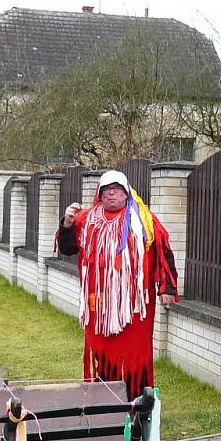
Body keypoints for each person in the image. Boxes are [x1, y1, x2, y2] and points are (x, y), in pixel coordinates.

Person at [56, 170, 178, 401]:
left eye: (117, 188)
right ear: (100, 194)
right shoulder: (86, 219)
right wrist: (67, 223)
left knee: (135, 355)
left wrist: (167, 288)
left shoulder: (143, 220)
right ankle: (105, 402)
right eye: (106, 189)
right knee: (103, 353)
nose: (112, 192)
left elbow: (163, 252)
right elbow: (68, 248)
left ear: (126, 193)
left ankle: (137, 403)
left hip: (135, 307)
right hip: (99, 306)